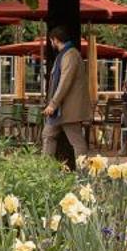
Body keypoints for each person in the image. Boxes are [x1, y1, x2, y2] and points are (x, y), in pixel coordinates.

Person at [43, 26, 92, 170]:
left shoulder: (70, 55)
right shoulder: (65, 55)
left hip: (67, 109)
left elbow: (65, 82)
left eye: (51, 41)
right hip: (61, 110)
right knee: (47, 135)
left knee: (76, 140)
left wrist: (53, 104)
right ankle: (44, 171)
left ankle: (83, 172)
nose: (51, 44)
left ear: (55, 40)